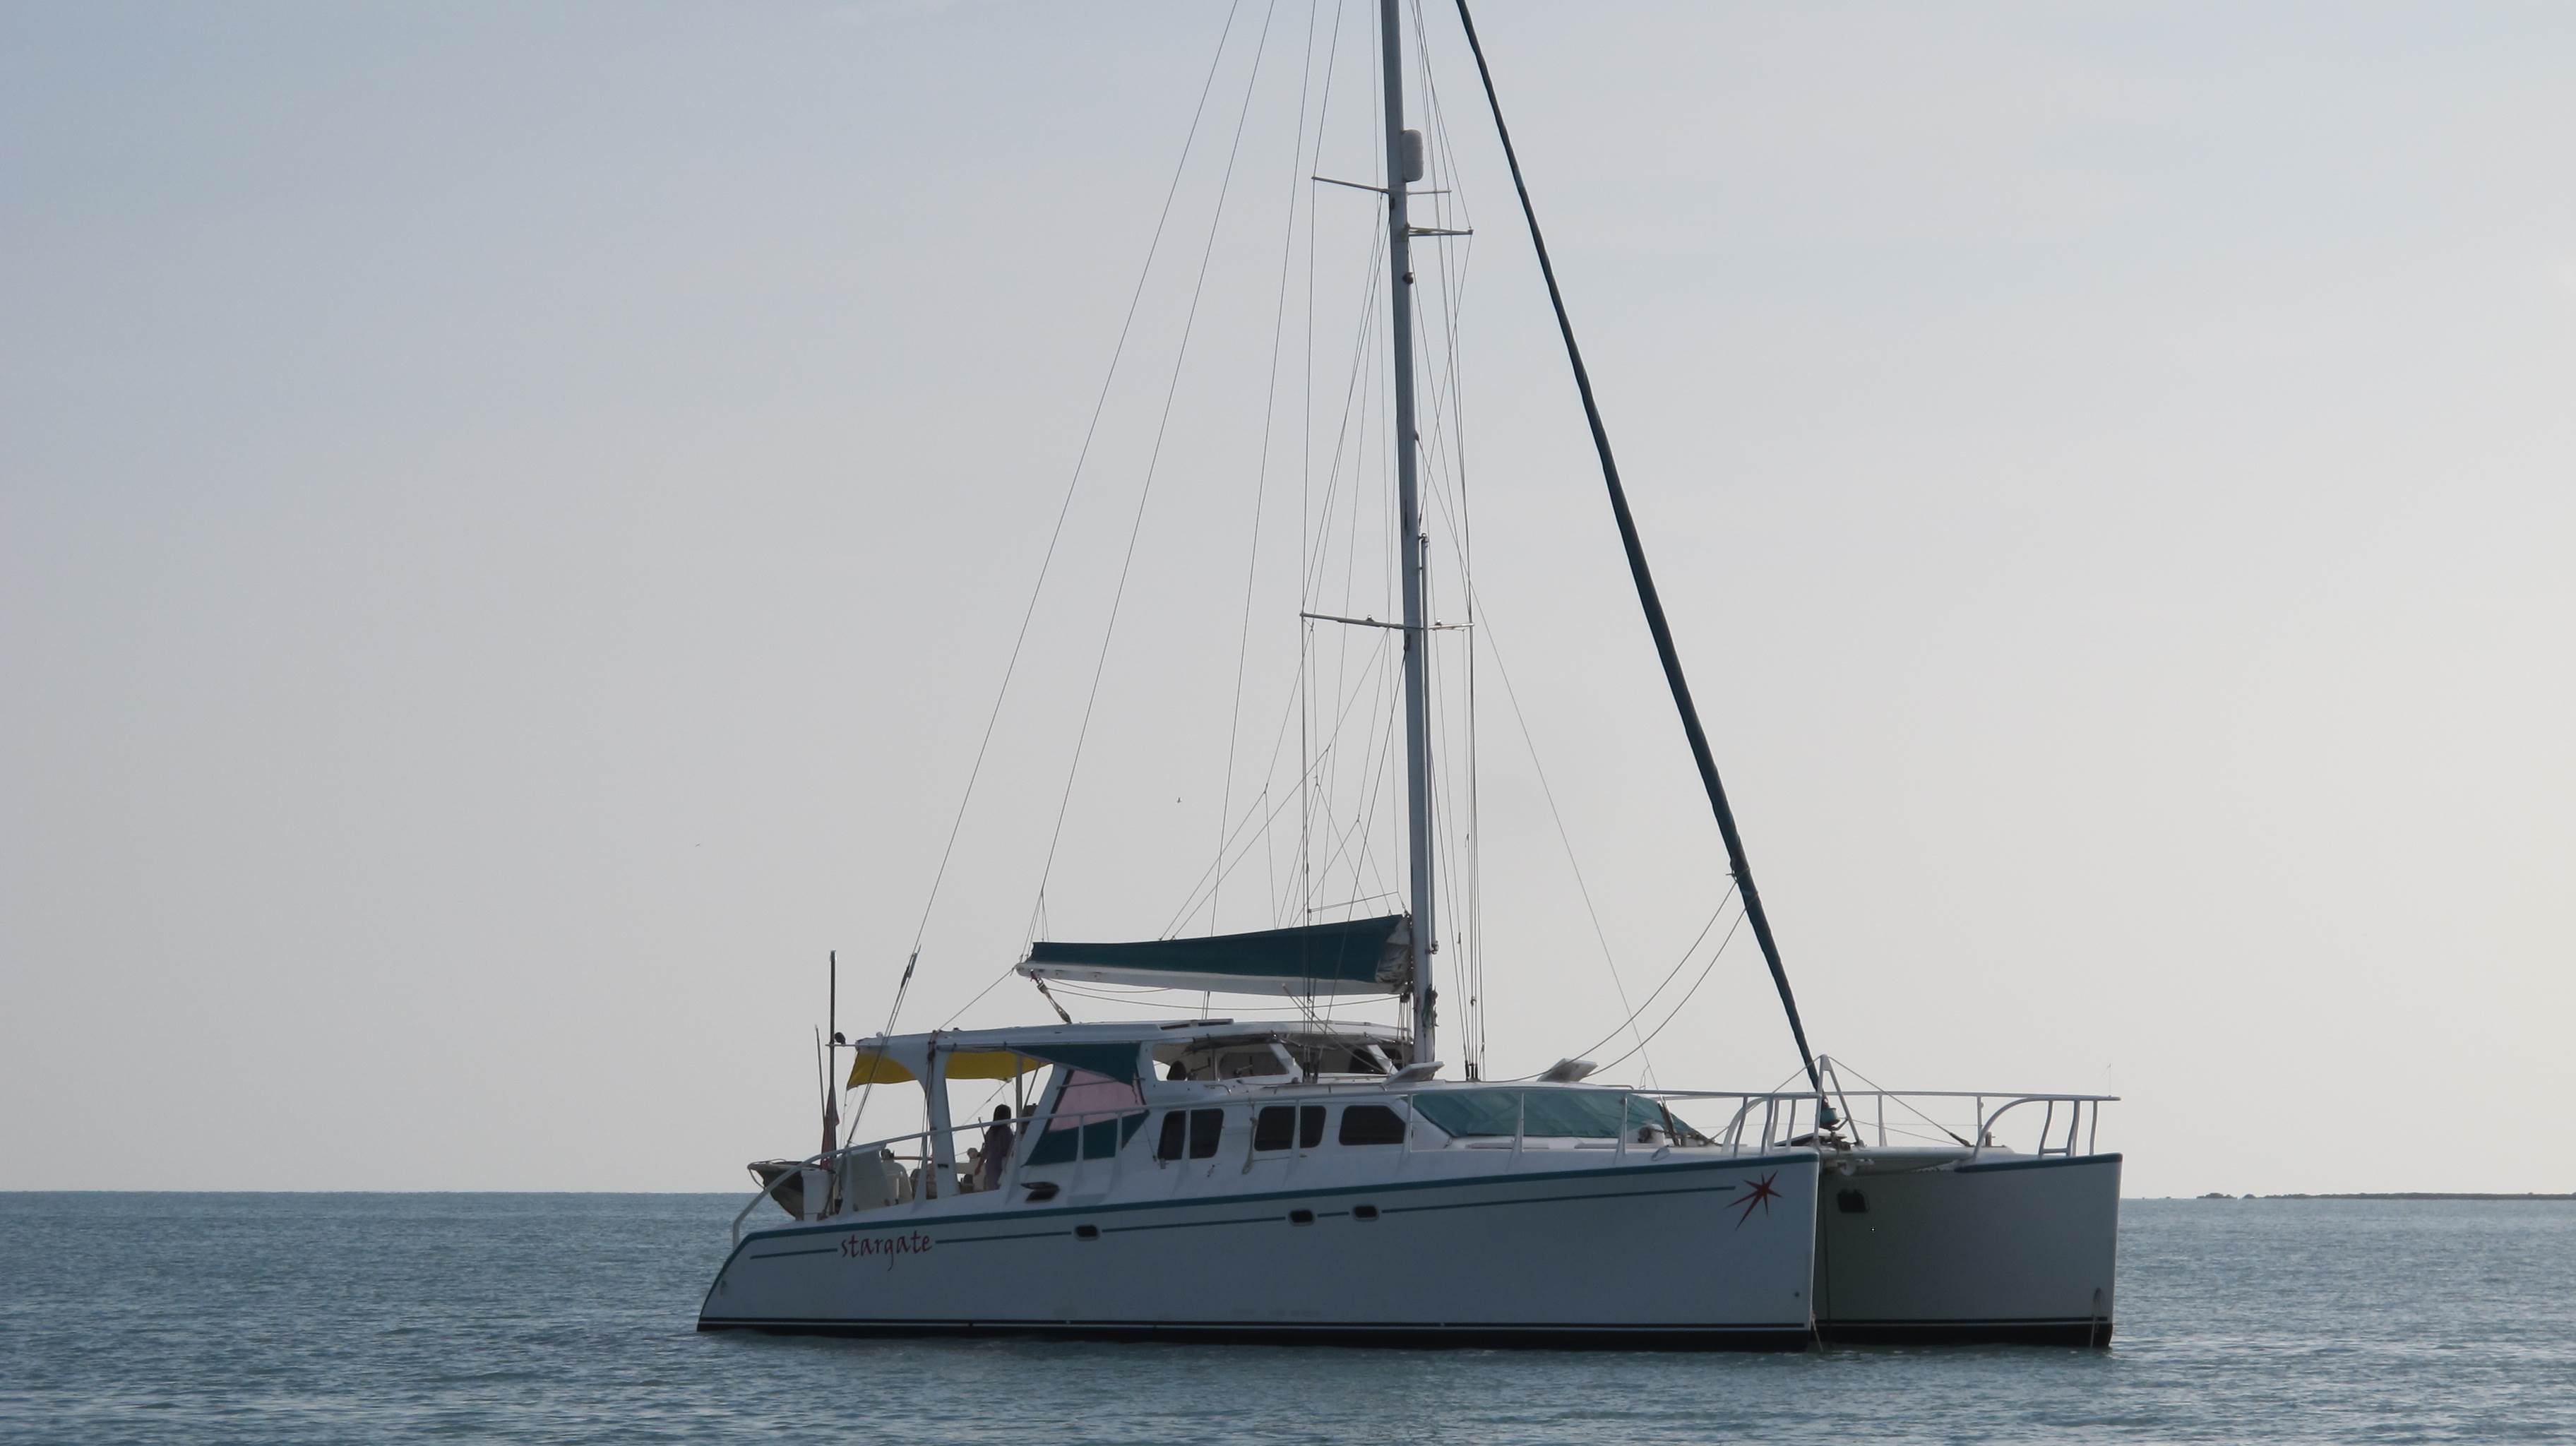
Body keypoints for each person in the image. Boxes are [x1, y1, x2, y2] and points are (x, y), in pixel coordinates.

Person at [980, 1105, 1014, 1192]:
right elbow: (1009, 1149)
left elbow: (986, 1150)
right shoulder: (1007, 1131)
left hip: (991, 1163)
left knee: (994, 1190)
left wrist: (979, 1166)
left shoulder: (990, 1131)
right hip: (1003, 1163)